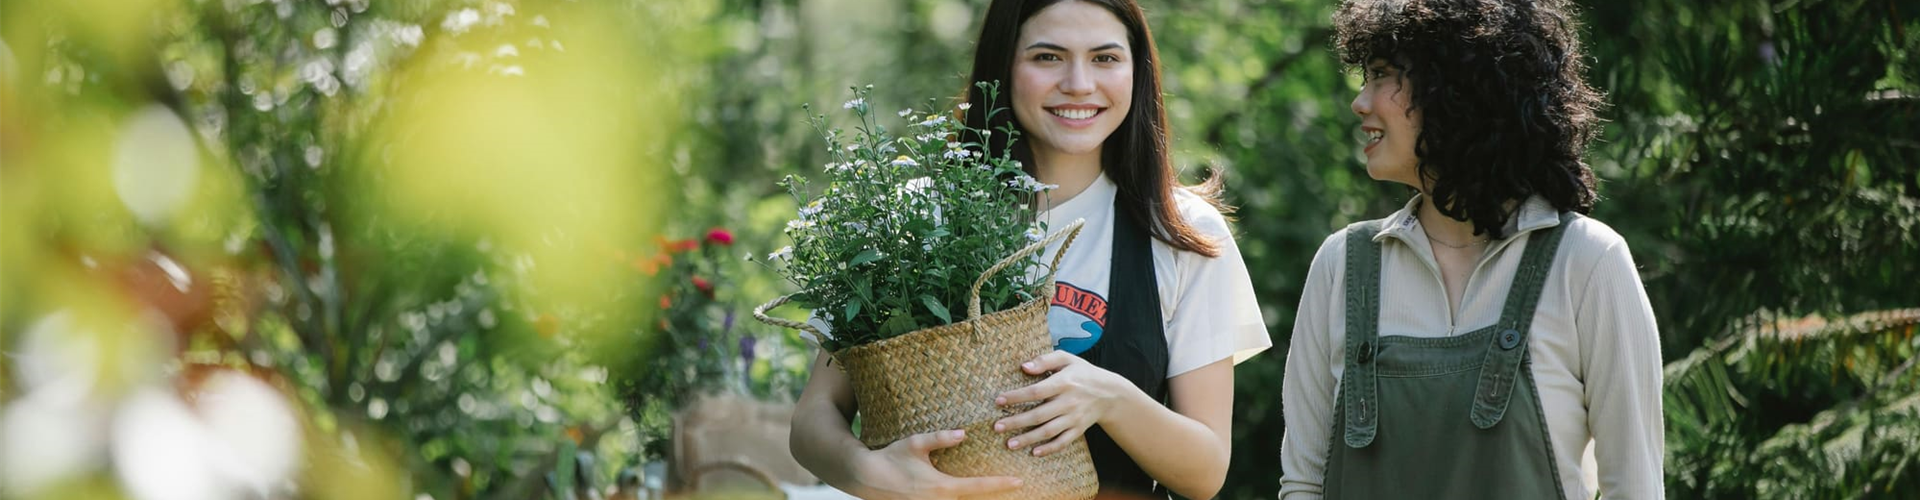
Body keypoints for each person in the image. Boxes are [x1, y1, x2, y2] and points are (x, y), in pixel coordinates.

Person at [788, 1, 1271, 499]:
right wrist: (869, 474)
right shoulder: (914, 220)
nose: (1080, 83)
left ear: (1137, 72)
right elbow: (814, 417)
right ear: (1003, 67)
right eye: (1047, 57)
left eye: (1105, 58)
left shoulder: (1181, 232)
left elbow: (1206, 470)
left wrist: (1111, 397)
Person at [1276, 0, 1664, 498]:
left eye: (1382, 76)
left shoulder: (1587, 261)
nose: (1360, 102)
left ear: (1457, 88)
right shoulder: (1342, 265)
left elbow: (1635, 487)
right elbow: (1304, 484)